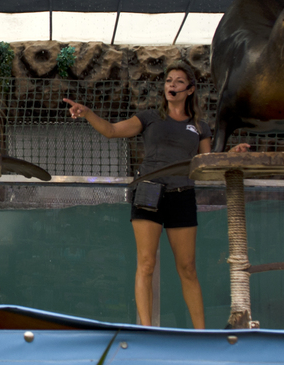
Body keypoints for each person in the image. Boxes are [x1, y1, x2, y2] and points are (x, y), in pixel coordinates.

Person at [64, 61, 248, 329]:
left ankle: (201, 334)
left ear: (190, 90)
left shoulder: (200, 127)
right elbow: (112, 130)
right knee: (146, 263)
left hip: (182, 194)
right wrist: (88, 113)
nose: (171, 85)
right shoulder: (149, 117)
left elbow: (207, 163)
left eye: (178, 81)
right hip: (148, 191)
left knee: (188, 268)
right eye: (168, 80)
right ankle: (147, 330)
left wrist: (230, 155)